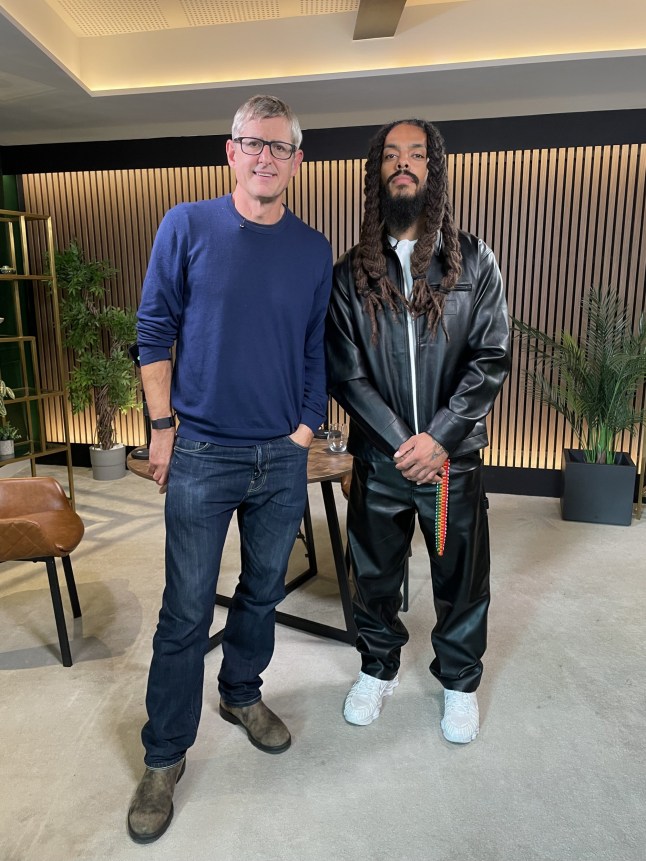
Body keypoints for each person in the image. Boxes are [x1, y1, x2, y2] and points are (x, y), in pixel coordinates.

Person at [128, 95, 333, 843]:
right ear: (231, 151)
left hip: (280, 454)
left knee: (262, 591)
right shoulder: (186, 225)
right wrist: (161, 427)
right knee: (186, 610)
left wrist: (304, 429)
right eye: (253, 143)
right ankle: (164, 754)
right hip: (202, 454)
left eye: (280, 147)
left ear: (297, 161)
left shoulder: (312, 249)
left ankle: (241, 691)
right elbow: (153, 328)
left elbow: (314, 347)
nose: (265, 157)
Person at [325, 119, 510, 744]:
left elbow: (490, 357)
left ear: (433, 170)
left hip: (450, 463)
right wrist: (403, 444)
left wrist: (440, 439)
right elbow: (345, 373)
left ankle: (459, 682)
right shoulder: (350, 274)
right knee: (373, 576)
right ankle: (377, 670)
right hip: (381, 464)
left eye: (416, 154)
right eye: (391, 156)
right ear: (377, 173)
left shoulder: (473, 261)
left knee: (460, 577)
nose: (403, 164)